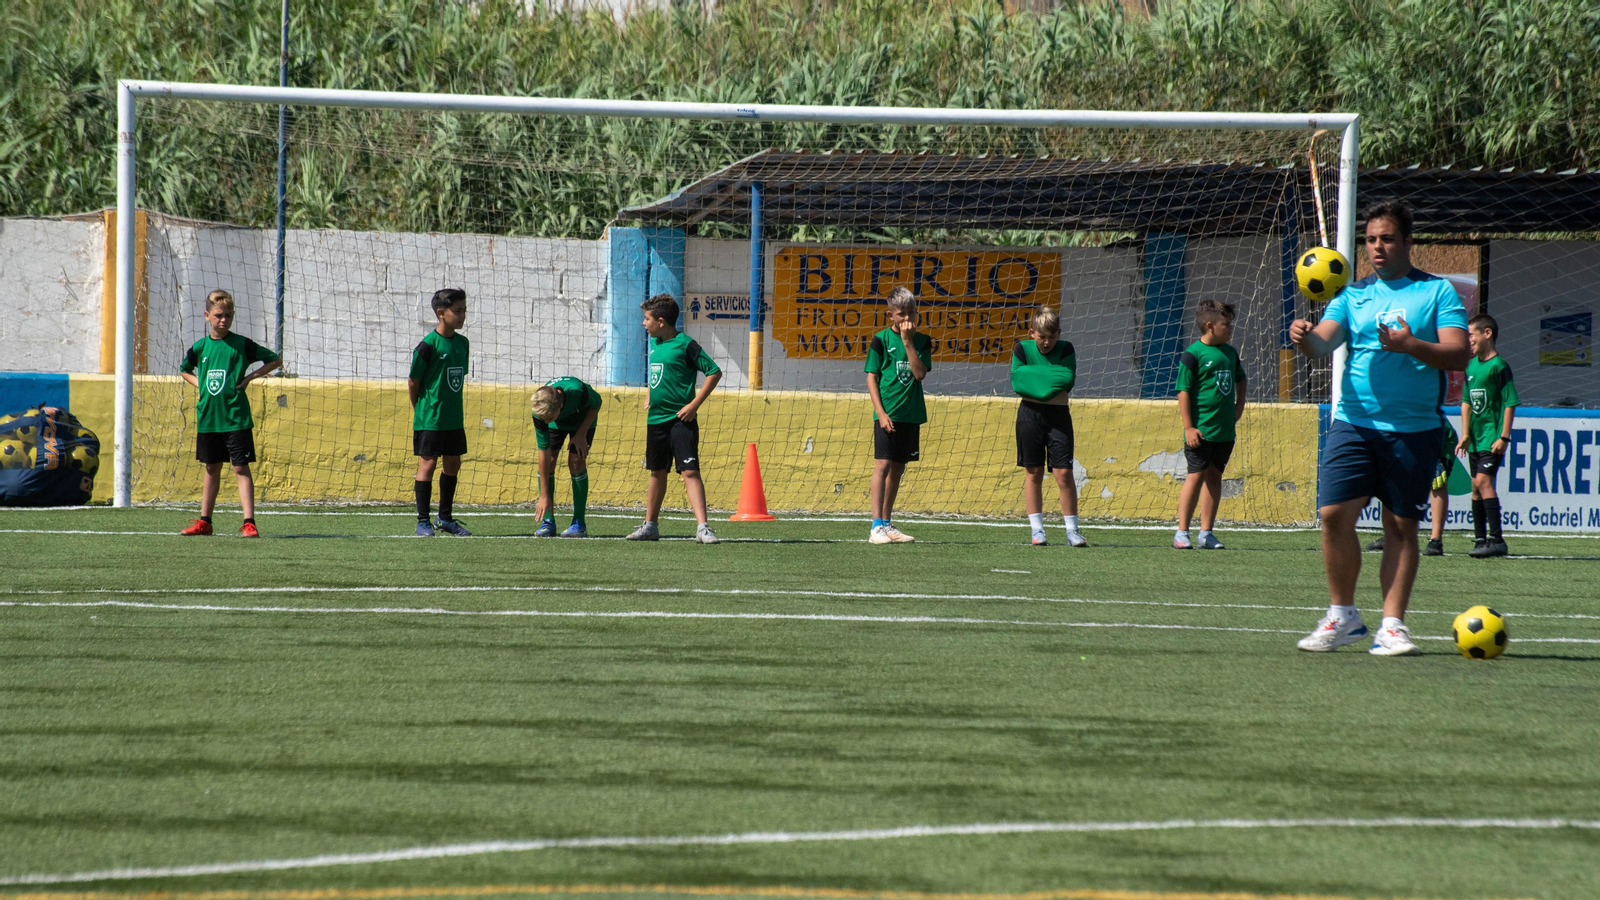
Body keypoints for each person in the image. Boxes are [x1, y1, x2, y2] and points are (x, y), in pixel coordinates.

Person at [1290, 200, 1470, 656]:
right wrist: (1305, 336)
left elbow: (1458, 354)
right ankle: (1343, 615)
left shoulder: (1437, 293)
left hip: (1412, 429)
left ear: (1408, 242)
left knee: (1400, 525)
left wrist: (1411, 345)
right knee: (1332, 515)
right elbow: (1321, 343)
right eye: (1370, 240)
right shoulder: (1351, 296)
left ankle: (1392, 626)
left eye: (1386, 238)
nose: (1377, 247)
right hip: (1353, 422)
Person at [178, 289, 281, 537]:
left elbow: (274, 360)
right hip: (209, 418)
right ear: (207, 316)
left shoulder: (241, 344)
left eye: (229, 315)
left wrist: (249, 378)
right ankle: (205, 522)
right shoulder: (200, 348)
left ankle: (249, 523)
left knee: (240, 468)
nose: (223, 320)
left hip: (235, 418)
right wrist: (200, 385)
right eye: (219, 315)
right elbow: (184, 370)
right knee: (211, 468)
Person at [625, 293, 722, 543]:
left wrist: (693, 405)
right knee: (657, 472)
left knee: (690, 471)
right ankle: (650, 526)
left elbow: (714, 372)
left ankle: (703, 527)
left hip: (681, 420)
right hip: (656, 420)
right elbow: (659, 374)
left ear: (660, 321)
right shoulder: (655, 344)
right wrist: (650, 393)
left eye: (646, 319)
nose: (643, 324)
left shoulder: (686, 344)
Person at [1173, 299, 1247, 550]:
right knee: (1195, 476)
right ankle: (1182, 532)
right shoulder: (1192, 355)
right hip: (1201, 431)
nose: (1230, 328)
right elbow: (1182, 391)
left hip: (1224, 431)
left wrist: (1239, 406)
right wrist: (1188, 427)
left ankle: (1206, 533)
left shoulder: (1230, 353)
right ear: (1209, 326)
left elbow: (1241, 380)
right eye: (1225, 324)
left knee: (1215, 477)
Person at [1010, 306, 1086, 547]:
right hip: (1029, 415)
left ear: (1059, 334)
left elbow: (1066, 380)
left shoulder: (1067, 349)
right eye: (1042, 337)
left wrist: (1035, 377)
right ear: (1032, 332)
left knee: (1063, 473)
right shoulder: (1022, 348)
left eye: (1052, 337)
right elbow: (1018, 382)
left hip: (1059, 416)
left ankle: (1072, 531)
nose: (1046, 342)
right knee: (1033, 472)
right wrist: (1047, 379)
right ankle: (1037, 530)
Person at [864, 286, 932, 544]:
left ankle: (887, 522)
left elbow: (919, 373)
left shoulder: (923, 341)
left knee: (898, 468)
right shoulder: (880, 340)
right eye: (901, 314)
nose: (907, 319)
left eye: (911, 313)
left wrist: (908, 342)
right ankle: (875, 526)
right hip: (887, 413)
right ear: (890, 315)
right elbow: (872, 377)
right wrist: (880, 413)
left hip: (910, 414)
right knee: (882, 465)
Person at [409, 288, 471, 537]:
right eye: (457, 311)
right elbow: (414, 381)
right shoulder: (427, 346)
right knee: (429, 464)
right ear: (441, 313)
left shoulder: (463, 344)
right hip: (430, 418)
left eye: (464, 310)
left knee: (453, 464)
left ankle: (445, 517)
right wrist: (420, 409)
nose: (462, 316)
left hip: (453, 417)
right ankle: (423, 521)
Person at [1458, 313, 1519, 558]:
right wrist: (1465, 434)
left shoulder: (1499, 366)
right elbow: (1466, 402)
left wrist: (1504, 437)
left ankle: (1497, 540)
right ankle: (1480, 539)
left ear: (1487, 333)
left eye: (1471, 335)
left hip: (1492, 438)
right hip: (1475, 439)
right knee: (1475, 487)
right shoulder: (1470, 366)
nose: (1468, 340)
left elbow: (1510, 401)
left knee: (1484, 482)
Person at [1365, 417, 1456, 556]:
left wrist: (1435, 458)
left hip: (1438, 438)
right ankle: (1391, 535)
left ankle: (1436, 541)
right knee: (1392, 480)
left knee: (1437, 480)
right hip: (1407, 436)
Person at [530, 377, 603, 538]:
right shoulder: (541, 412)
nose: (545, 422)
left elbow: (597, 403)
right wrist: (544, 496)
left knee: (576, 461)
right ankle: (548, 522)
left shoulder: (578, 391)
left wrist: (581, 433)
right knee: (549, 462)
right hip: (559, 423)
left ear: (560, 406)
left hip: (582, 419)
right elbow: (543, 454)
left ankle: (578, 522)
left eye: (548, 419)